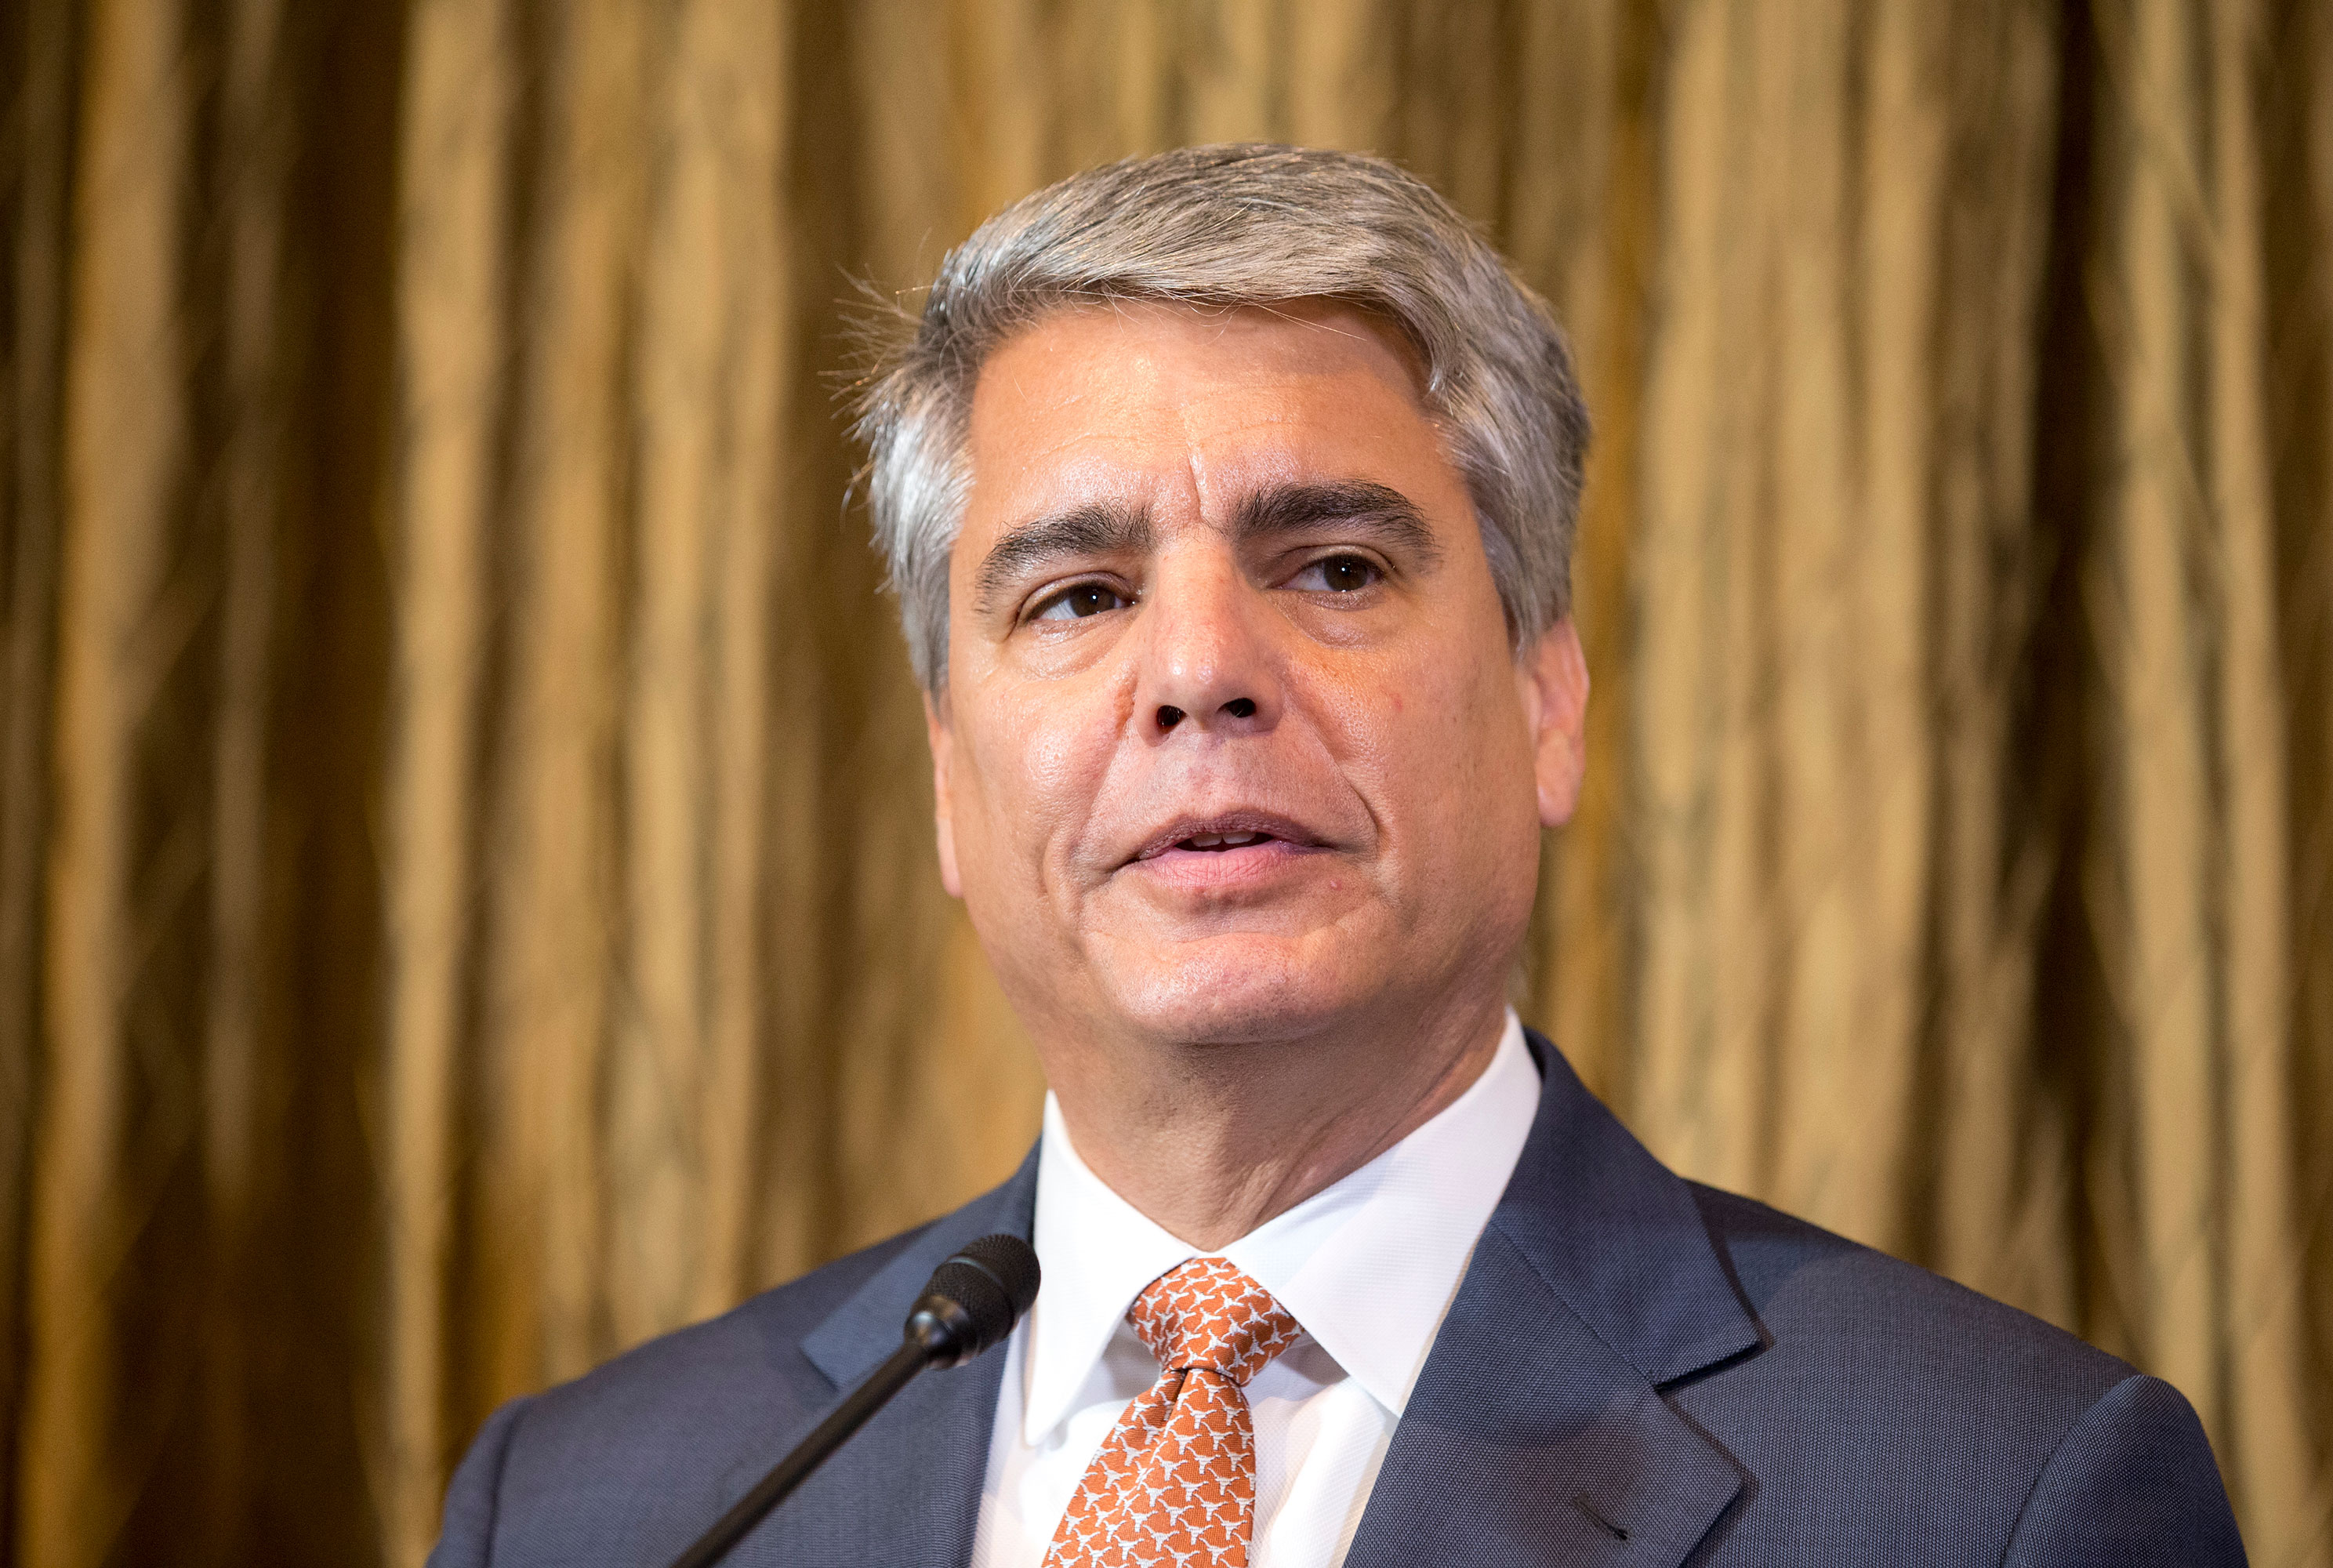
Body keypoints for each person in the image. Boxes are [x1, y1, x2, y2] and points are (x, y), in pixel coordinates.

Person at [428, 144, 2244, 1568]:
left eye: (1336, 568)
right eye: (1078, 594)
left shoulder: (2002, 1501)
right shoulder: (601, 1506)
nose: (1202, 670)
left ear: (1547, 698)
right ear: (944, 781)